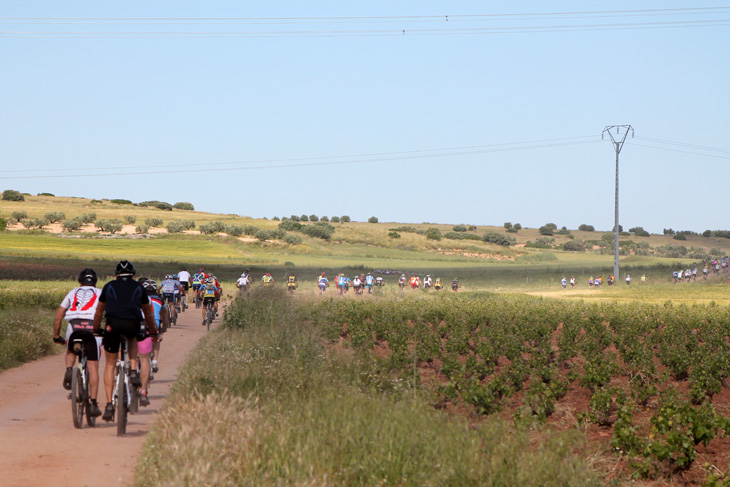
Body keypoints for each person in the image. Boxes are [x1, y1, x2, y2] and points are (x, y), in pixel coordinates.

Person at [93, 260, 158, 422]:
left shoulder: (108, 286)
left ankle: (109, 405)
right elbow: (148, 314)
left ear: (115, 275)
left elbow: (99, 311)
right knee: (133, 336)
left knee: (109, 364)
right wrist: (153, 330)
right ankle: (134, 370)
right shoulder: (139, 287)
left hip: (112, 325)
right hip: (133, 324)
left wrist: (95, 329)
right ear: (133, 275)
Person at [52, 268, 103, 418]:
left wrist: (56, 336)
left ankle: (69, 368)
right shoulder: (100, 293)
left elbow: (58, 316)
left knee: (71, 351)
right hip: (92, 327)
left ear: (79, 282)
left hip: (74, 326)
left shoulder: (73, 292)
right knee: (93, 366)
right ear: (95, 282)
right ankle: (93, 403)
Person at [137, 279, 167, 406]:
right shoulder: (159, 299)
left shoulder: (139, 296)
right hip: (154, 324)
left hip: (138, 324)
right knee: (155, 338)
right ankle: (154, 360)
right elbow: (164, 315)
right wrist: (163, 329)